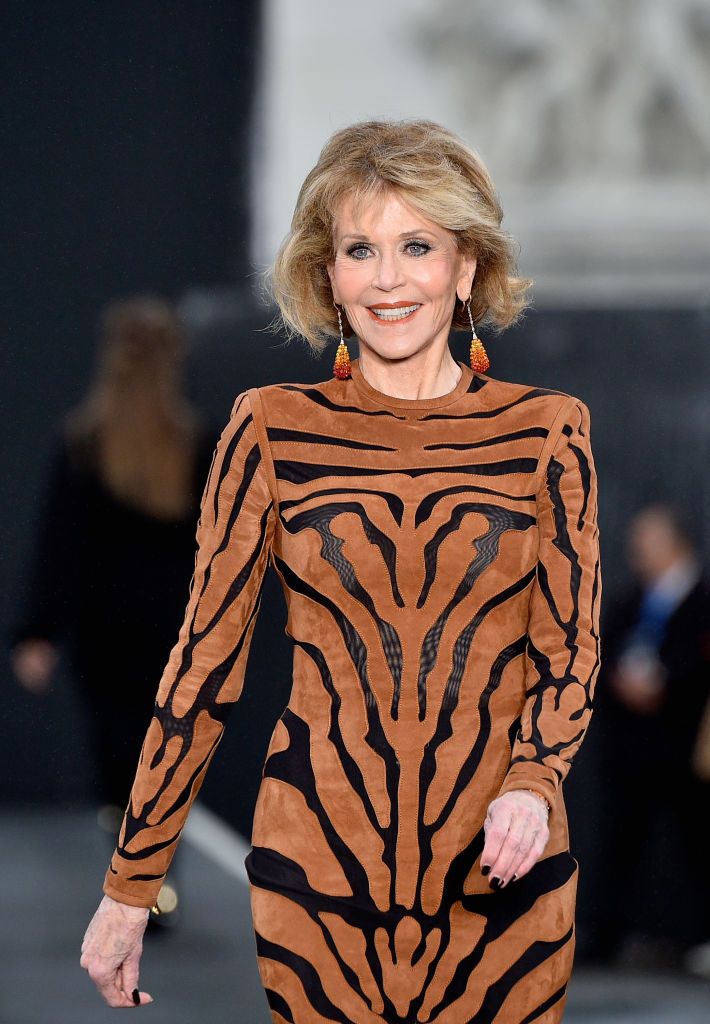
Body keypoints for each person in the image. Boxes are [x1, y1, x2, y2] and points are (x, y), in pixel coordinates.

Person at [80, 119, 602, 1021]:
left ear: (466, 268)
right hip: (319, 867)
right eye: (360, 249)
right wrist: (131, 887)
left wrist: (534, 782)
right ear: (328, 274)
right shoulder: (270, 427)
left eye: (417, 247)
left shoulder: (547, 429)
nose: (389, 278)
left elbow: (572, 650)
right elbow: (203, 665)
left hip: (502, 868)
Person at [11, 295, 218, 927]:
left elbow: (60, 545)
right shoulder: (196, 443)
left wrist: (37, 633)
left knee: (117, 760)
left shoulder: (84, 444)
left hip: (103, 635)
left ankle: (134, 884)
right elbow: (222, 550)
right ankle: (158, 884)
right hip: (174, 630)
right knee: (167, 755)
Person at [592, 503, 710, 967]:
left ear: (676, 541)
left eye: (650, 538)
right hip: (632, 748)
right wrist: (623, 681)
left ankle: (700, 937)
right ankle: (606, 939)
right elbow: (605, 649)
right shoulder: (626, 599)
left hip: (685, 747)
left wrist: (666, 682)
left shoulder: (701, 598)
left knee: (697, 846)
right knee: (619, 844)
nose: (639, 548)